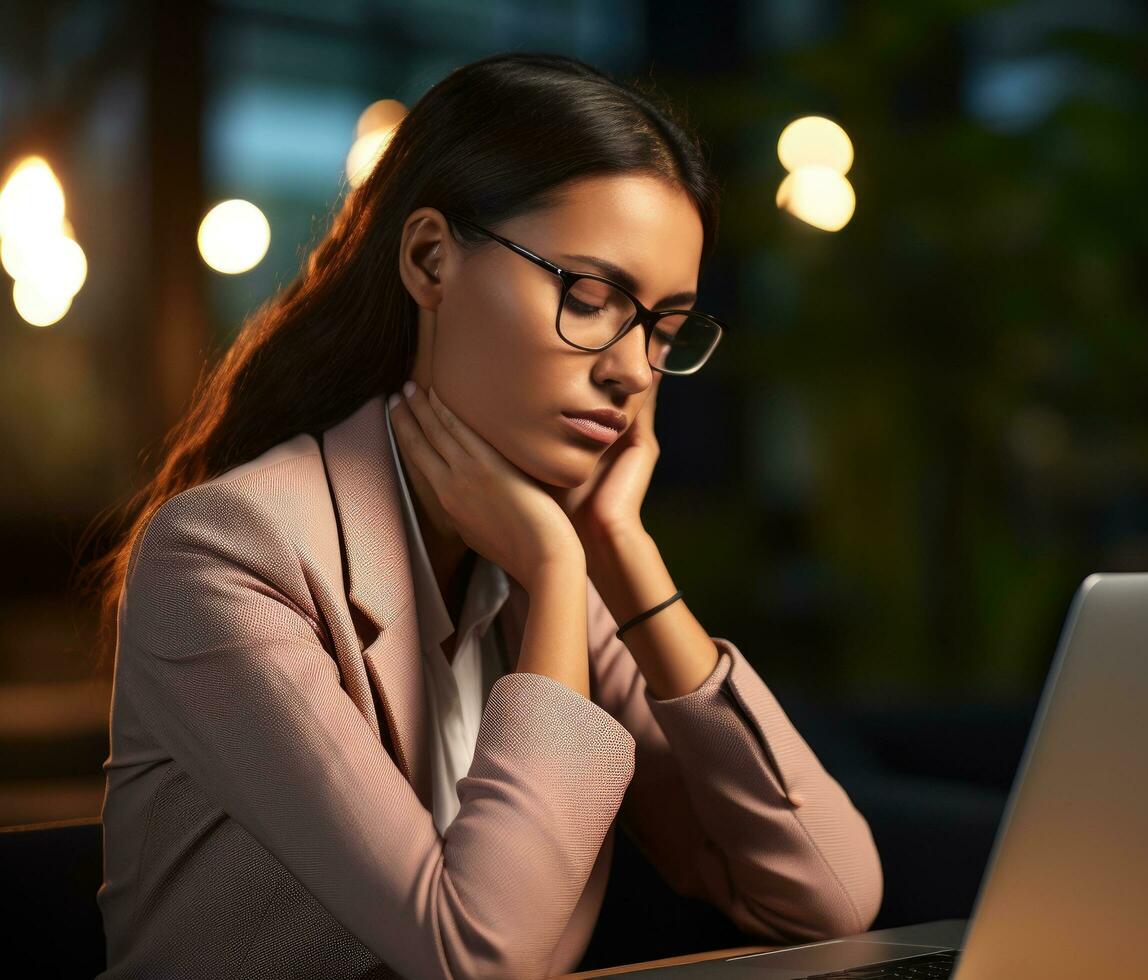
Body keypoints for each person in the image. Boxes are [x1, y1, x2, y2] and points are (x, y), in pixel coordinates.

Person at [88, 52, 882, 979]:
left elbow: (827, 891)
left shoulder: (543, 565)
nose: (632, 370)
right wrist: (554, 571)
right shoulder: (227, 554)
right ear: (430, 258)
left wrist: (622, 552)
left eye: (664, 330)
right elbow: (473, 955)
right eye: (590, 298)